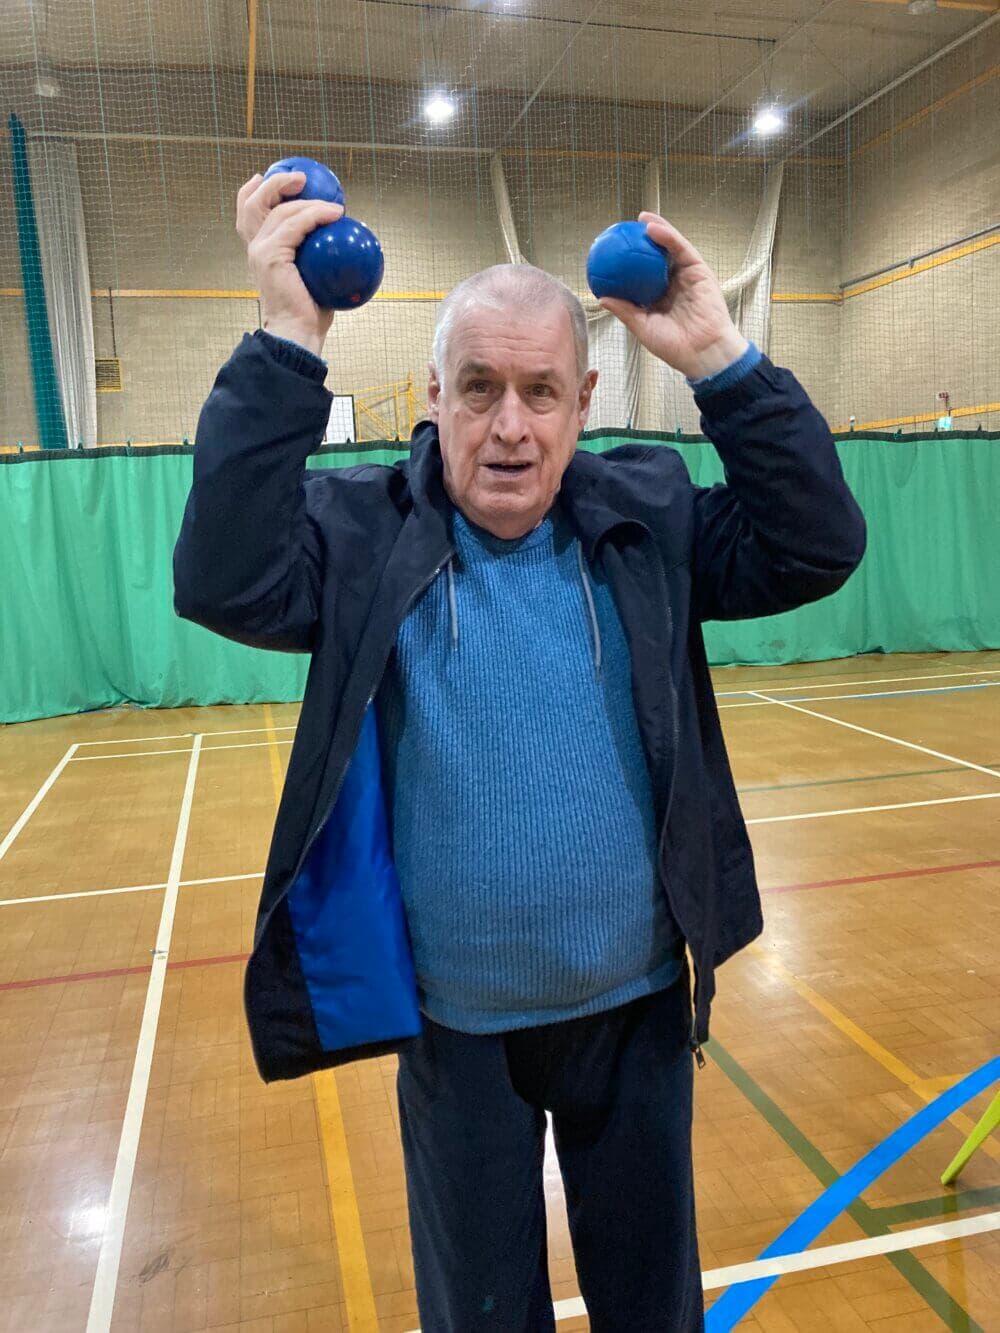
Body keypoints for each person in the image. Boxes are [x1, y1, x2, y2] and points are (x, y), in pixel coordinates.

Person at [173, 169, 866, 1332]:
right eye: (479, 388)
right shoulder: (361, 533)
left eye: (540, 392)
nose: (509, 426)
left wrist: (720, 362)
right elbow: (222, 576)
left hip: (636, 1012)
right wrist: (289, 337)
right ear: (432, 395)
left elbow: (816, 545)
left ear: (583, 399)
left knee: (651, 1306)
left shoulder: (648, 517)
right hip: (455, 1031)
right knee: (483, 1312)